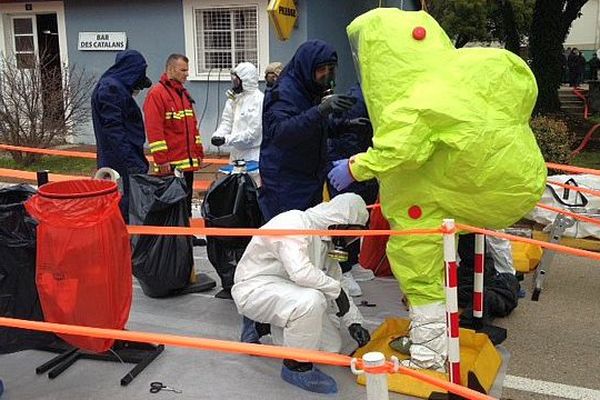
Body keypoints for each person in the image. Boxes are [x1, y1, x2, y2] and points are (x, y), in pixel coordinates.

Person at [330, 9, 546, 371]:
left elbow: (401, 151)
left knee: (421, 275)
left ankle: (428, 357)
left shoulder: (414, 99)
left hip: (422, 200)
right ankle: (441, 340)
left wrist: (353, 168)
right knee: (445, 266)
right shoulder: (445, 82)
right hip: (457, 193)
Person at [231, 193, 371, 394]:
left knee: (330, 348)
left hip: (288, 294)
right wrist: (335, 290)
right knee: (311, 300)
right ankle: (296, 366)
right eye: (353, 234)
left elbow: (336, 283)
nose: (351, 241)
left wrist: (354, 322)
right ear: (342, 223)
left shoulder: (327, 240)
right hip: (255, 288)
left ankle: (260, 325)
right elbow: (302, 273)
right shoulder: (295, 222)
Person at [259, 39, 356, 222]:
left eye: (331, 69)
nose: (326, 75)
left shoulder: (310, 90)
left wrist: (344, 126)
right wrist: (320, 110)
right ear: (308, 68)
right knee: (289, 241)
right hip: (286, 183)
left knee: (309, 238)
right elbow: (281, 133)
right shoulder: (284, 93)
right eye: (321, 70)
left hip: (310, 179)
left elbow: (312, 129)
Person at [327, 83, 379, 297]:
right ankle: (342, 270)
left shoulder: (374, 95)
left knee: (360, 216)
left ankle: (353, 261)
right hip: (346, 164)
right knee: (343, 220)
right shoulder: (358, 99)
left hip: (364, 164)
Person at [91, 49, 152, 222]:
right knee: (122, 206)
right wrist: (131, 162)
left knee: (127, 204)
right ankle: (124, 245)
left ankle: (127, 243)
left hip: (122, 158)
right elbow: (114, 131)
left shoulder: (115, 87)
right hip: (119, 162)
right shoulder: (111, 89)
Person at [143, 54, 204, 216]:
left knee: (185, 204)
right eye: (183, 70)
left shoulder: (183, 94)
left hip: (187, 164)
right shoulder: (157, 94)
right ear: (170, 69)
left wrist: (198, 151)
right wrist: (162, 159)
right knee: (172, 209)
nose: (187, 74)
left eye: (187, 70)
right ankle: (175, 239)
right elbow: (154, 130)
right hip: (171, 165)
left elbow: (192, 127)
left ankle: (185, 237)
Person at [210, 62, 264, 163]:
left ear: (245, 80)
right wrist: (218, 135)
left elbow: (253, 133)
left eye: (236, 80)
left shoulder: (258, 100)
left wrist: (226, 139)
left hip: (253, 154)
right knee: (234, 178)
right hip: (235, 153)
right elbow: (227, 121)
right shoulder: (234, 99)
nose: (234, 83)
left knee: (252, 179)